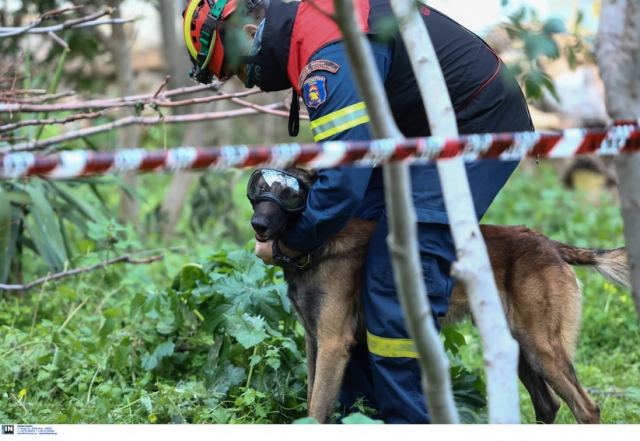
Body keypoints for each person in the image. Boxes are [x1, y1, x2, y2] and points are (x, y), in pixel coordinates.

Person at [183, 0, 533, 423]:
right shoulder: (306, 32)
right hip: (412, 134)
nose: (245, 83)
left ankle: (410, 422)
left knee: (397, 275)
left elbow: (342, 184)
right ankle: (359, 417)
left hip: (476, 123)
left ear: (245, 32)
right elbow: (341, 167)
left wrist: (291, 245)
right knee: (353, 253)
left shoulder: (327, 50)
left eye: (234, 68)